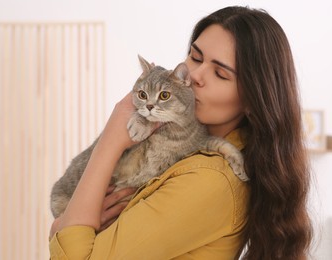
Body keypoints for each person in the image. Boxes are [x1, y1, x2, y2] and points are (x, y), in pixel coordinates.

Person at [49, 6, 312, 260]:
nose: (195, 75)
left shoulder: (210, 178)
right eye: (195, 57)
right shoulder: (183, 143)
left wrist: (110, 140)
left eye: (220, 73)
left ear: (253, 100)